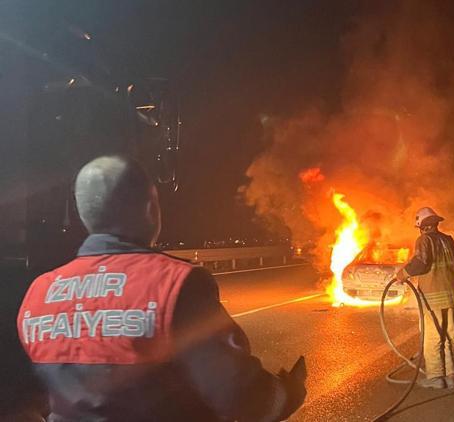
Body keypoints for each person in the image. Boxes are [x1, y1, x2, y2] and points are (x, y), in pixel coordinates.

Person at [16, 156, 305, 421]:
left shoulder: (39, 293)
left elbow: (28, 400)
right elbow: (238, 394)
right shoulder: (176, 284)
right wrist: (288, 393)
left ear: (84, 216)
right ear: (150, 208)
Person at [396, 207, 454, 389]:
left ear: (422, 227)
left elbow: (421, 263)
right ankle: (451, 376)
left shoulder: (424, 240)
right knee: (451, 335)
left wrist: (404, 274)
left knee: (433, 337)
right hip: (450, 296)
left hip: (432, 298)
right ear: (435, 223)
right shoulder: (448, 240)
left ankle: (435, 378)